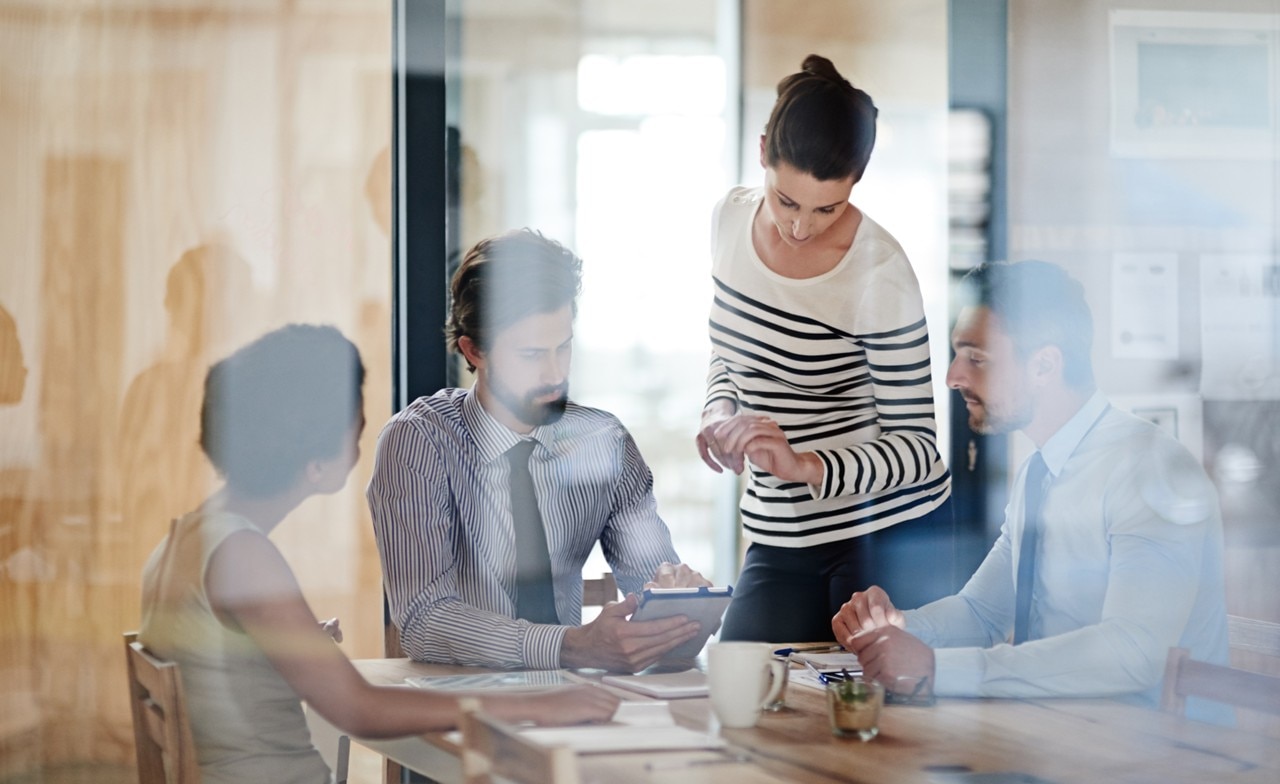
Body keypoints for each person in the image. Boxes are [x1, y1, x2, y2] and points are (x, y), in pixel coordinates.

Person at [139, 325, 618, 784]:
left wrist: (286, 645)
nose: (364, 430)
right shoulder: (244, 557)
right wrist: (539, 704)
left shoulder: (185, 539)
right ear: (314, 460)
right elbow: (359, 710)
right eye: (356, 419)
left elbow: (221, 666)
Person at [834, 260, 1231, 723]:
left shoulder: (1150, 469)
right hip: (1056, 735)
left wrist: (939, 668)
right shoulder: (1037, 473)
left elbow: (1132, 652)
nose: (953, 376)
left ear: (1044, 365)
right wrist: (893, 628)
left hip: (1160, 754)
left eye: (976, 358)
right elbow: (982, 612)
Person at [369, 229, 711, 674]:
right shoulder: (419, 444)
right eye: (532, 353)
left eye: (563, 347)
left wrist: (679, 608)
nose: (555, 374)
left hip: (572, 700)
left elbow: (651, 578)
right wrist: (570, 646)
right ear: (474, 350)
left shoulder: (603, 440)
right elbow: (425, 619)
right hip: (458, 704)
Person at [697, 54, 953, 642]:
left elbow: (916, 447)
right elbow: (730, 354)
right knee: (745, 687)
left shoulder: (879, 273)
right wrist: (718, 412)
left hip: (887, 531)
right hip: (782, 529)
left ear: (856, 184)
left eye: (826, 208)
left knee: (869, 712)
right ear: (762, 151)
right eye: (787, 201)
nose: (801, 227)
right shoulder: (728, 223)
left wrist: (804, 465)